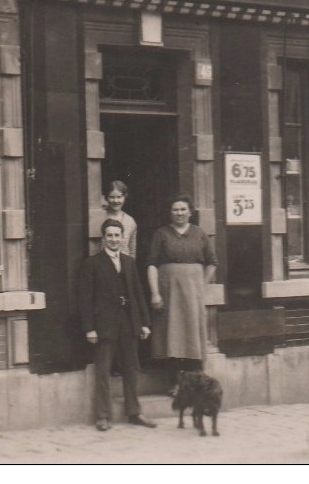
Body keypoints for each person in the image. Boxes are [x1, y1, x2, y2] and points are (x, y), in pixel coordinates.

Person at [77, 219, 157, 431]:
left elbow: (138, 293)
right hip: (104, 325)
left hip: (128, 323)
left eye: (117, 235)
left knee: (131, 368)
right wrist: (89, 328)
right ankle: (103, 415)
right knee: (103, 370)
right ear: (103, 238)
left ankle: (134, 412)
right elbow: (85, 299)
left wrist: (144, 323)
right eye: (109, 235)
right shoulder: (92, 263)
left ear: (123, 238)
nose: (113, 239)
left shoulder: (129, 262)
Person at [145, 194, 218, 396]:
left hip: (193, 293)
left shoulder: (200, 234)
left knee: (192, 334)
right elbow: (151, 264)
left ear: (190, 212)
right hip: (169, 291)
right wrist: (155, 293)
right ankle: (175, 383)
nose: (179, 213)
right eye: (175, 210)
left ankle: (196, 383)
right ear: (170, 213)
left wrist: (200, 286)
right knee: (173, 335)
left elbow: (212, 262)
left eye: (183, 209)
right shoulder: (162, 234)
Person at [102, 180, 138, 258]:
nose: (116, 201)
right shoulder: (100, 218)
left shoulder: (130, 221)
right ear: (106, 198)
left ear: (125, 197)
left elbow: (132, 251)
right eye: (112, 197)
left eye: (119, 197)